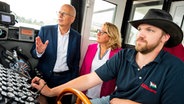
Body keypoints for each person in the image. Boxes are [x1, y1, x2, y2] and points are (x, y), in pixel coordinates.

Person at [31, 9, 184, 104]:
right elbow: (90, 78)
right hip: (109, 101)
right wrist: (51, 91)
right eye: (140, 29)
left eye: (150, 30)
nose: (140, 35)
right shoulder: (124, 55)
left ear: (165, 37)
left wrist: (123, 102)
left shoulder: (176, 68)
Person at [30, 4, 81, 104]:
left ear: (72, 19)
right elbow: (33, 53)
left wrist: (73, 82)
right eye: (59, 12)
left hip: (65, 79)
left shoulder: (77, 36)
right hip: (45, 77)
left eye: (64, 13)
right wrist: (39, 52)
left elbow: (76, 61)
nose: (60, 15)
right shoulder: (45, 30)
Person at [80, 22, 122, 99]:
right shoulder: (91, 47)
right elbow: (84, 69)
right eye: (99, 31)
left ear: (111, 35)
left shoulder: (119, 53)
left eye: (102, 32)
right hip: (86, 93)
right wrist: (80, 90)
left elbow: (120, 77)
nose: (98, 34)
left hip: (104, 95)